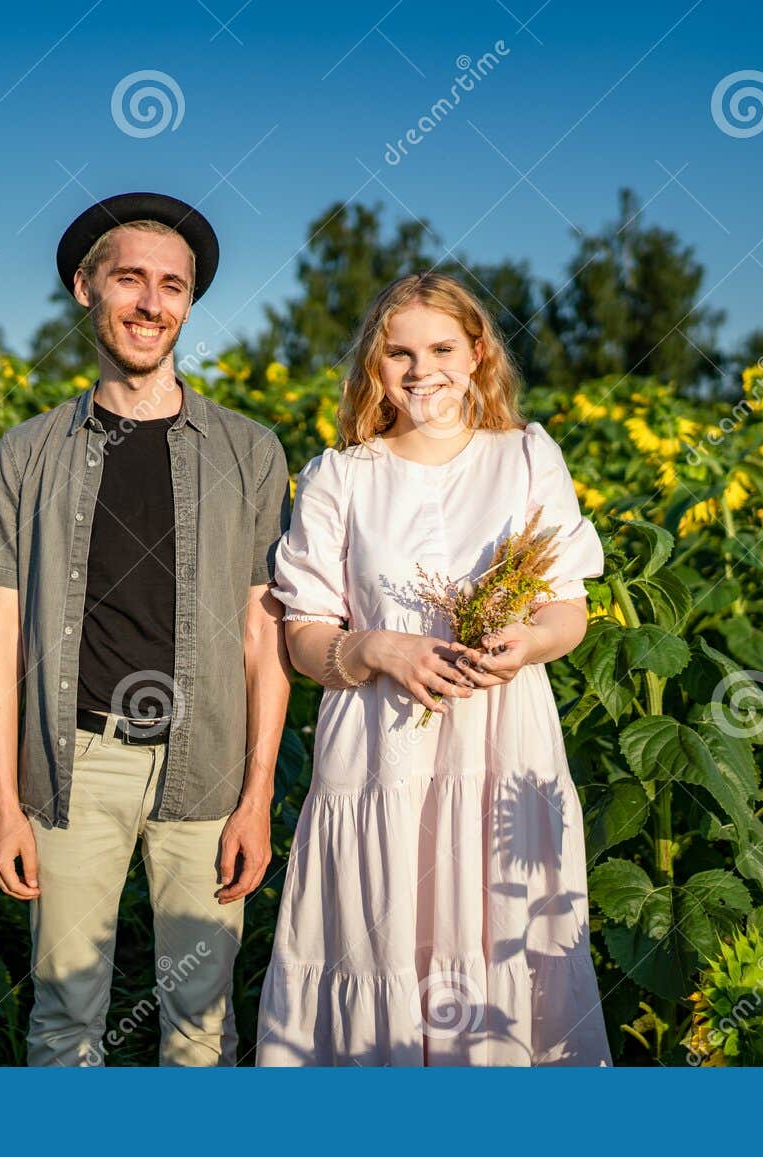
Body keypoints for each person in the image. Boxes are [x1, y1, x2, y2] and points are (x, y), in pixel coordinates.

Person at [0, 191, 291, 1066]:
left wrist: (257, 794)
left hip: (208, 766)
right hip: (75, 764)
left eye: (172, 286)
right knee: (65, 1017)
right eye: (131, 280)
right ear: (85, 287)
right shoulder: (26, 452)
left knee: (201, 1021)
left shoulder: (250, 451)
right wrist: (5, 801)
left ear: (189, 303)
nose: (152, 303)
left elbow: (264, 637)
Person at [254, 270, 614, 1066]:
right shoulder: (340, 476)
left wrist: (528, 641)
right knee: (380, 946)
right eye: (399, 353)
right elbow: (305, 639)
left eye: (443, 348)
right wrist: (379, 648)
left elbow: (567, 609)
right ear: (373, 366)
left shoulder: (525, 455)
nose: (422, 372)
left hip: (499, 742)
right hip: (380, 751)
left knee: (504, 946)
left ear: (479, 353)